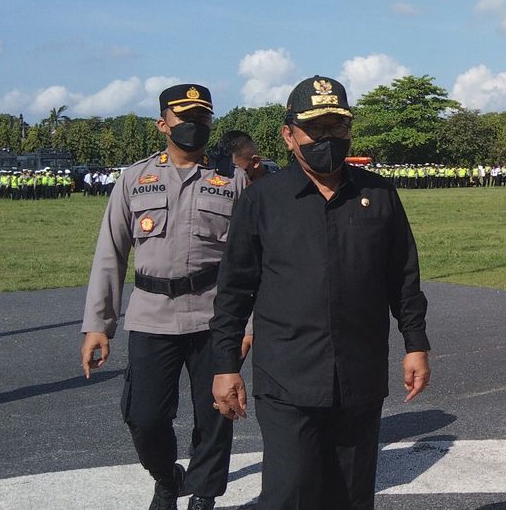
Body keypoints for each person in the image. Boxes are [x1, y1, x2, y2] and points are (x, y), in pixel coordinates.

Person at [210, 75, 431, 510]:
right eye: (317, 129)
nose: (328, 139)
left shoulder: (378, 194)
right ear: (289, 135)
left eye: (338, 128)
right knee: (289, 495)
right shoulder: (262, 201)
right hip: (288, 378)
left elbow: (403, 277)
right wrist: (224, 366)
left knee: (350, 496)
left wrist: (415, 344)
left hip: (359, 375)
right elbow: (234, 291)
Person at [79, 84, 249, 510]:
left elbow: (252, 259)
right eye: (184, 118)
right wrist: (99, 325)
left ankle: (205, 494)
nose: (194, 126)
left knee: (216, 414)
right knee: (145, 417)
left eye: (202, 119)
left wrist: (249, 323)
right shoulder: (134, 179)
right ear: (163, 124)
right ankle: (166, 476)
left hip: (215, 316)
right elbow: (110, 252)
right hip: (151, 314)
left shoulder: (233, 177)